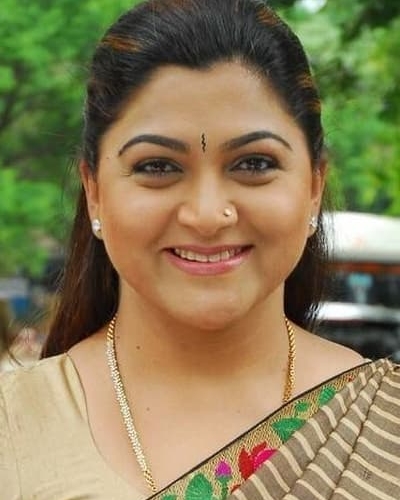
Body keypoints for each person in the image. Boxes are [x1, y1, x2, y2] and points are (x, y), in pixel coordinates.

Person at [1, 1, 399, 498]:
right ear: (95, 190)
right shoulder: (13, 427)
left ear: (314, 186)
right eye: (157, 167)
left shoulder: (384, 427)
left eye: (254, 164)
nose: (208, 215)